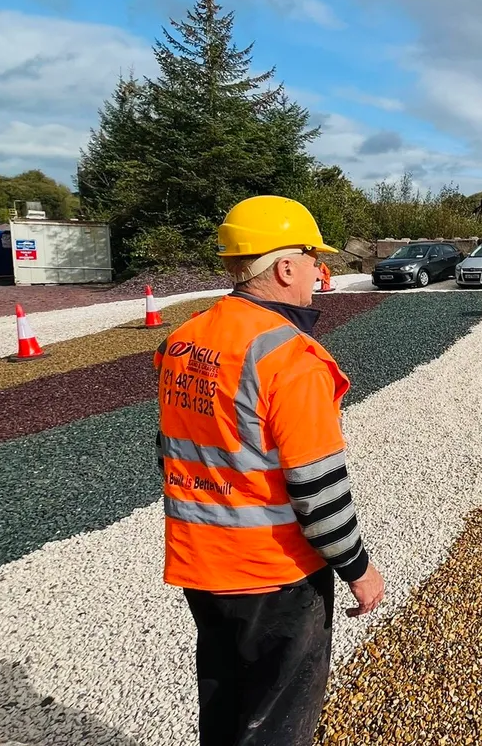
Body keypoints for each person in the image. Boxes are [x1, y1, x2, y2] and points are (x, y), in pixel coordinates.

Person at [154, 194, 385, 746]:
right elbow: (318, 491)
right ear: (284, 267)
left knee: (227, 703)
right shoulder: (291, 358)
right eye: (312, 258)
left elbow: (170, 448)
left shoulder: (183, 340)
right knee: (277, 721)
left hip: (199, 562)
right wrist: (359, 571)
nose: (318, 272)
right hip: (274, 574)